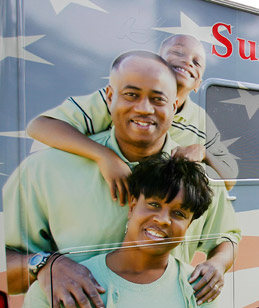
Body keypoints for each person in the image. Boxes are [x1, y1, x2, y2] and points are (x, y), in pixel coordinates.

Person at [4, 51, 239, 308]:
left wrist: (217, 264)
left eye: (158, 99)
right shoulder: (45, 169)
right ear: (109, 96)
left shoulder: (193, 177)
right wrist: (45, 265)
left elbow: (226, 238)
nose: (144, 108)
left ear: (173, 107)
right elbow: (8, 260)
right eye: (131, 95)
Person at [26, 34, 237, 199]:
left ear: (199, 84)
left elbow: (231, 178)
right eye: (178, 52)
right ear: (157, 62)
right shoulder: (121, 99)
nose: (187, 62)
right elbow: (40, 126)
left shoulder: (200, 120)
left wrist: (204, 152)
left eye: (197, 62)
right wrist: (104, 156)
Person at [24, 154, 215, 307]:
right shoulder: (62, 284)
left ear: (189, 225)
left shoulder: (198, 288)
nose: (163, 219)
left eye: (179, 214)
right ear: (132, 207)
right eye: (154, 204)